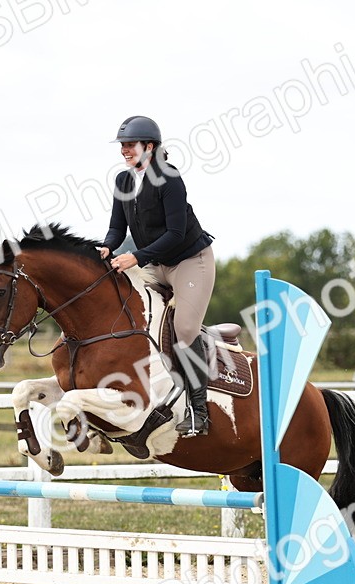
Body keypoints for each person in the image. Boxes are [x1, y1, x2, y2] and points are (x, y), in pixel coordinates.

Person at [97, 115, 216, 437]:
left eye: (129, 145)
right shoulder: (123, 181)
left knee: (185, 328)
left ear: (149, 147)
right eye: (121, 145)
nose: (124, 150)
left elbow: (177, 233)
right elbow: (116, 229)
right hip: (154, 262)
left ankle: (199, 410)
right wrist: (106, 248)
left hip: (190, 261)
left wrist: (135, 256)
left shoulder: (169, 178)